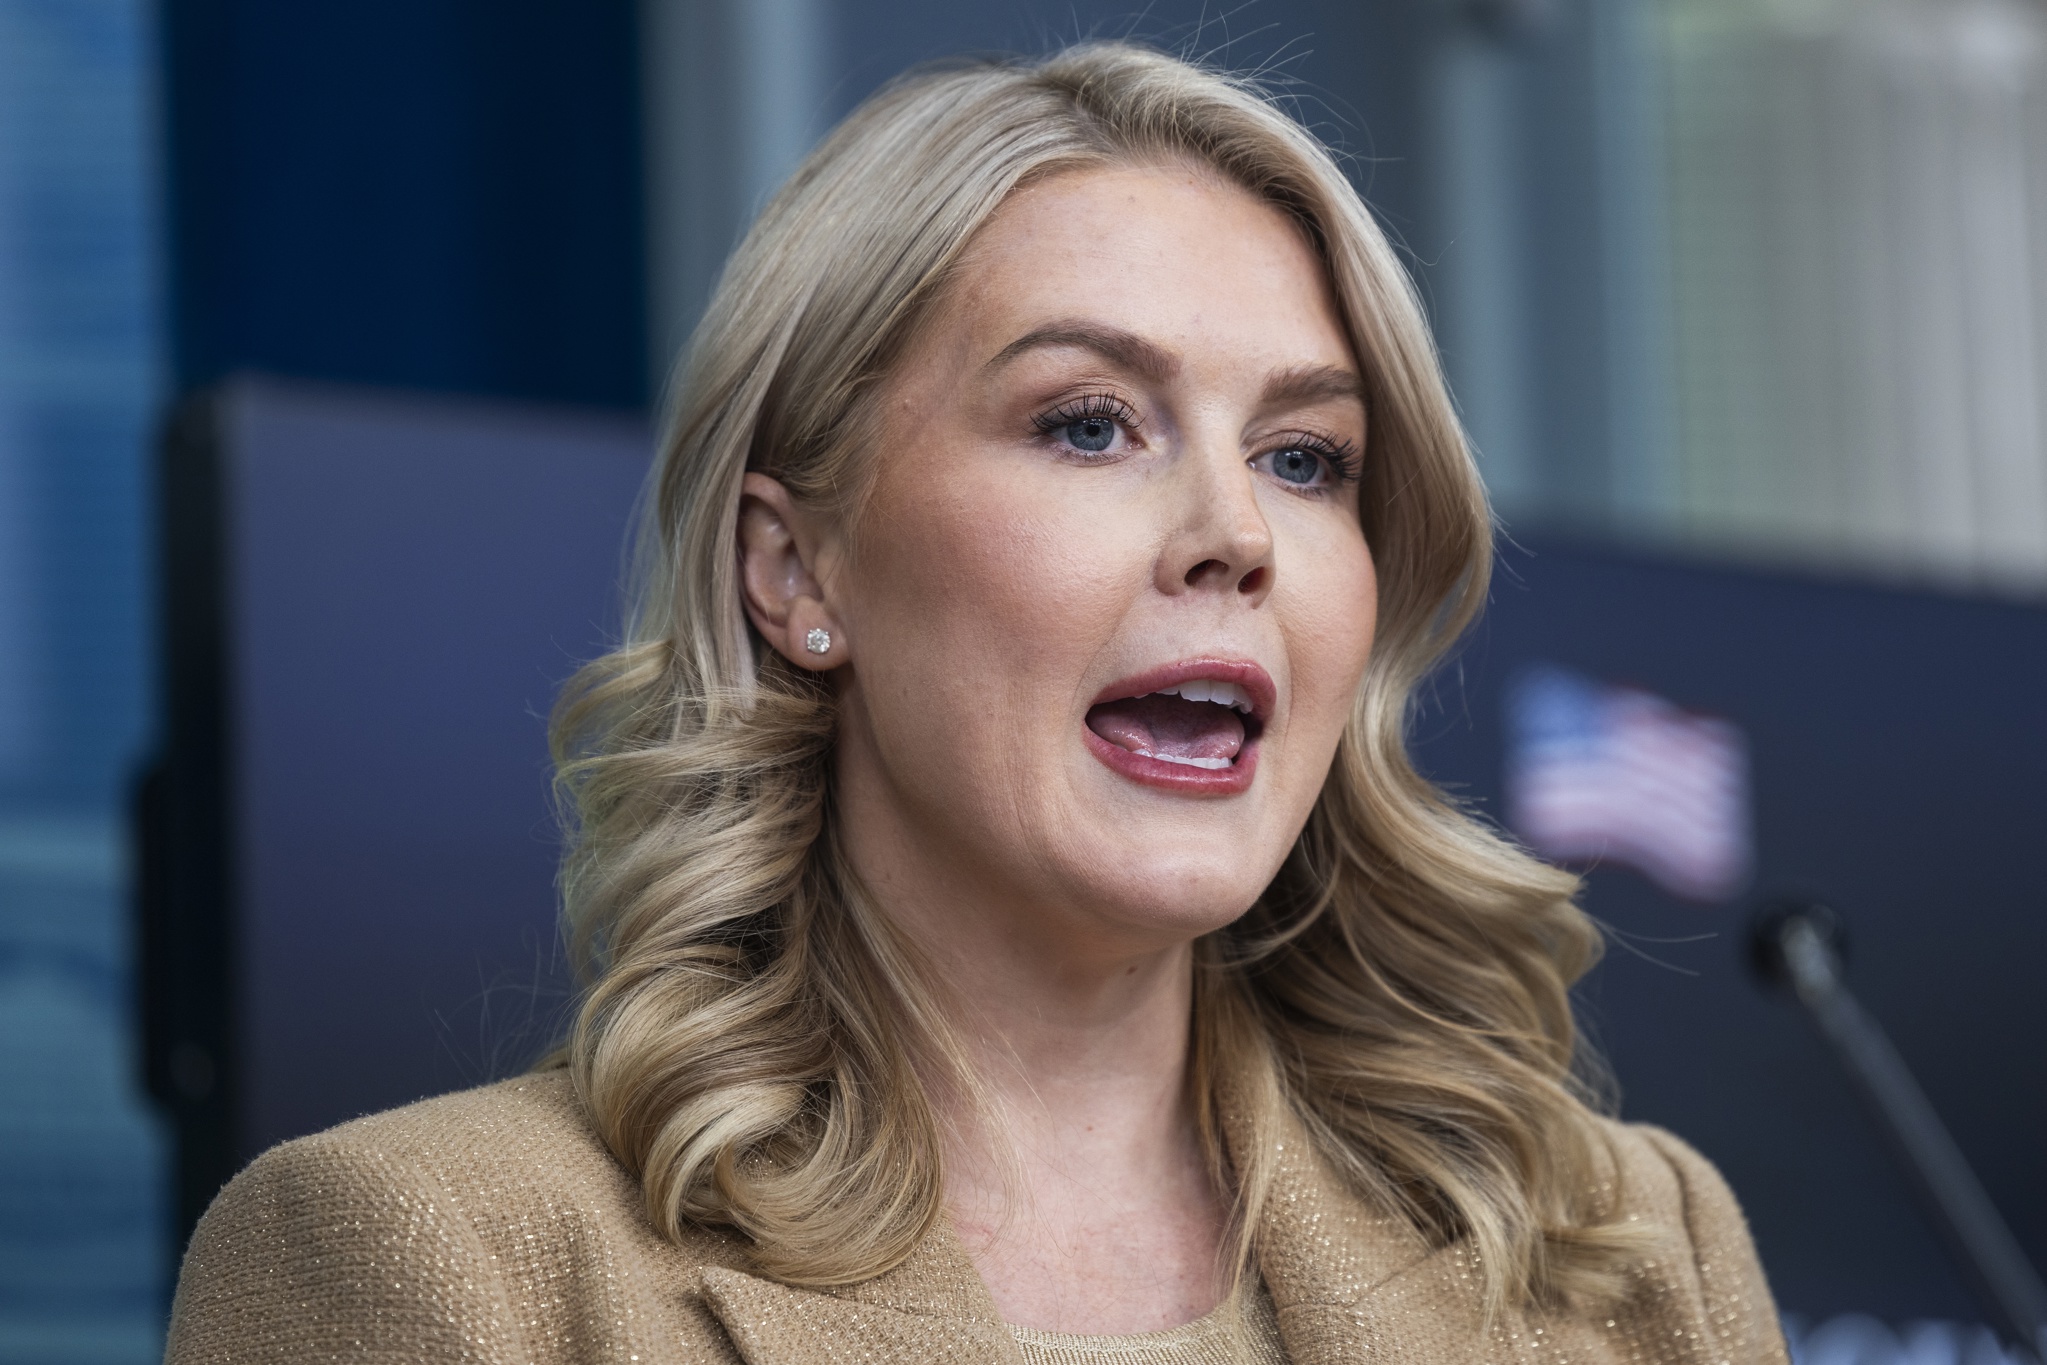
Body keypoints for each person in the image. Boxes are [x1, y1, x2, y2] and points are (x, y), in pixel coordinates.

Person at [164, 43, 1788, 1365]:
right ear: (796, 568)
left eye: (1305, 456)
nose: (1235, 531)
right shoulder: (428, 1263)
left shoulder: (1636, 1256)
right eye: (1090, 423)